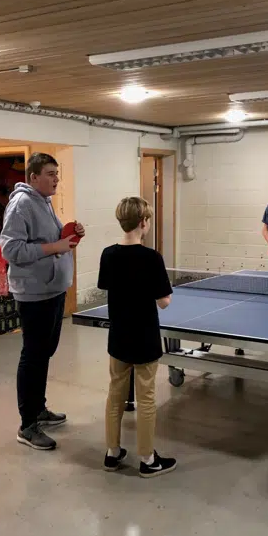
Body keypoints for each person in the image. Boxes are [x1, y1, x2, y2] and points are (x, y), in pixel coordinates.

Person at [0, 152, 85, 450]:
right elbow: (11, 251)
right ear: (33, 177)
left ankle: (39, 409)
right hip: (34, 293)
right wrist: (55, 247)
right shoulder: (21, 204)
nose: (56, 179)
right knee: (34, 356)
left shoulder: (44, 202)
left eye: (57, 174)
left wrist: (70, 235)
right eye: (50, 174)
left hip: (52, 290)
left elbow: (47, 240)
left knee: (44, 353)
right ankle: (27, 426)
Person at [97, 197, 177, 478]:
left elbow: (107, 286)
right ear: (143, 222)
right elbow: (164, 302)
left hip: (119, 336)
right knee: (146, 399)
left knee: (115, 396)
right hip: (145, 338)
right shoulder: (152, 258)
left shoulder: (108, 254)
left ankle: (112, 453)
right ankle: (148, 459)